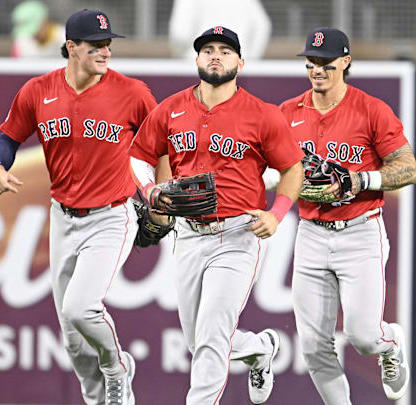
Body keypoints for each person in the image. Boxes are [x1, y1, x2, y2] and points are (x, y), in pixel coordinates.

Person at [0, 9, 157, 405]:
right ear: (70, 48)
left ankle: (118, 368)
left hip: (112, 215)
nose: (105, 51)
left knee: (81, 308)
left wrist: (156, 192)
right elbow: (7, 138)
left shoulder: (132, 93)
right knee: (73, 336)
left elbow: (161, 140)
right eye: (95, 44)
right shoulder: (38, 90)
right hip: (63, 217)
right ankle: (97, 399)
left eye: (108, 44)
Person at [129, 26, 304, 405]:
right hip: (189, 235)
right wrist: (150, 191)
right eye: (207, 49)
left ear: (240, 61)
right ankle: (259, 349)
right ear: (196, 59)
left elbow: (293, 168)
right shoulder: (171, 108)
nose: (215, 56)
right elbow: (140, 155)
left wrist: (277, 213)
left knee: (210, 338)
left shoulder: (262, 115)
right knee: (198, 340)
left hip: (238, 235)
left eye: (225, 51)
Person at [279, 27, 416, 404]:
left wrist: (359, 179)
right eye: (311, 61)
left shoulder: (370, 109)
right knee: (312, 344)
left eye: (325, 62)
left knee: (362, 336)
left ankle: (390, 344)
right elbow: (267, 167)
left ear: (345, 61)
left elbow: (408, 168)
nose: (317, 68)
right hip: (310, 232)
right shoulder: (288, 113)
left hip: (360, 230)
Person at [168, 0, 271, 59]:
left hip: (197, 64)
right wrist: (249, 58)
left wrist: (184, 56)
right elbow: (262, 26)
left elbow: (180, 34)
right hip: (236, 66)